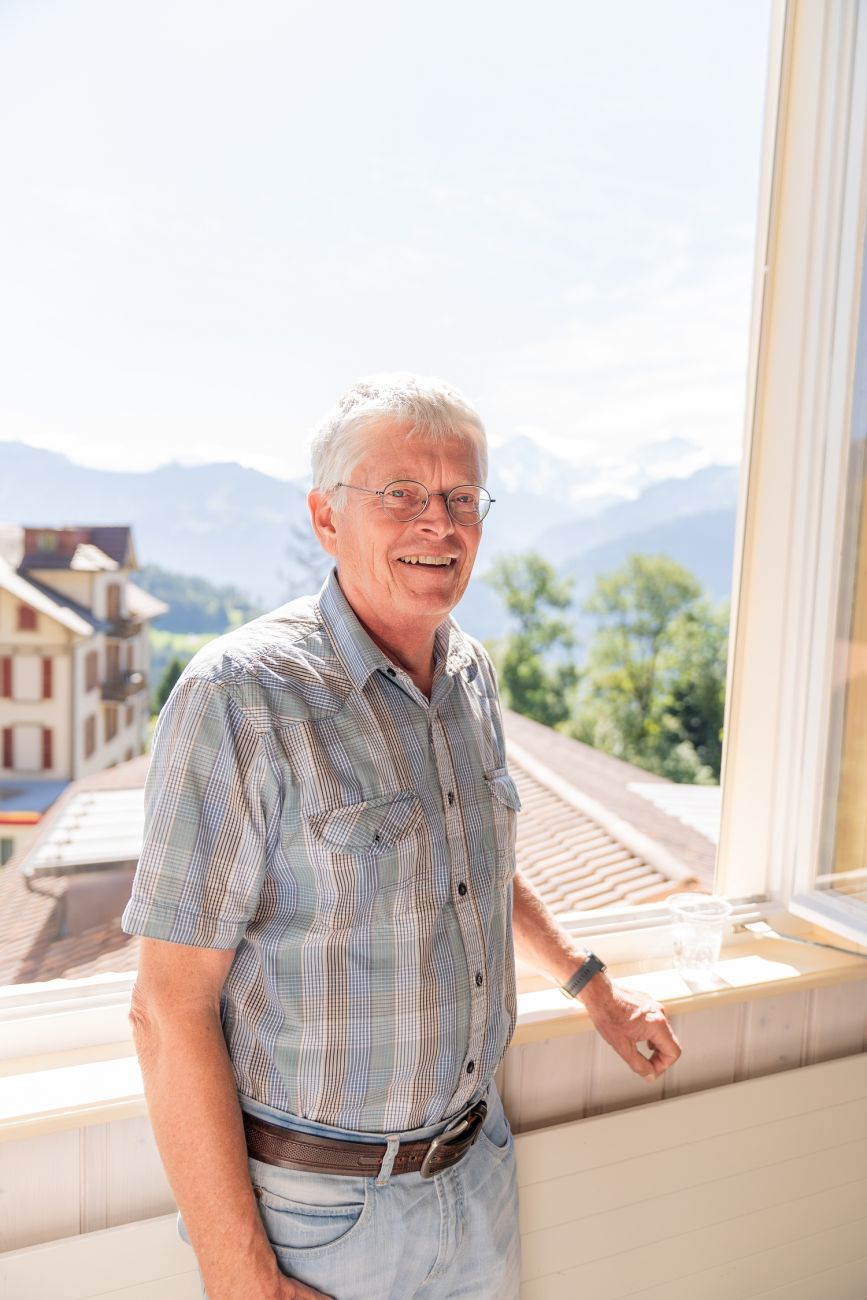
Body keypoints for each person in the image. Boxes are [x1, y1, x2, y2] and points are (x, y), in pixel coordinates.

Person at [121, 373, 682, 1300]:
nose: (439, 523)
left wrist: (595, 989)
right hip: (320, 1217)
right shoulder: (240, 696)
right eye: (401, 494)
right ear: (326, 517)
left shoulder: (470, 673)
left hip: (477, 1172)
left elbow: (472, 867)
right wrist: (237, 1274)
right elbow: (166, 1007)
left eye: (461, 498)